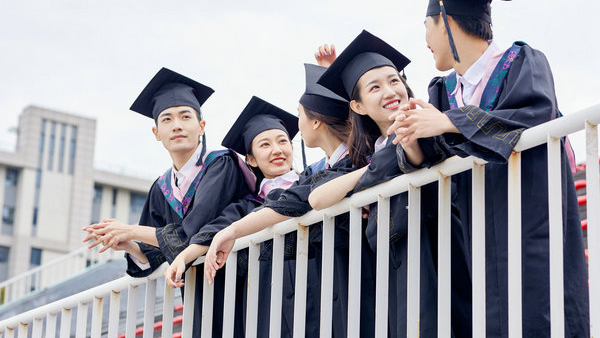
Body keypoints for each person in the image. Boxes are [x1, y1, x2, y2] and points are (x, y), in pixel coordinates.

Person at [387, 0, 589, 336]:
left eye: (427, 26)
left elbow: (531, 117)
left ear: (446, 21)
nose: (426, 40)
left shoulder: (521, 62)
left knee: (540, 316)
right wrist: (412, 139)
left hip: (531, 225)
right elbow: (435, 155)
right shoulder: (444, 91)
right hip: (474, 234)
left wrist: (449, 122)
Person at [166, 64, 355, 337]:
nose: (277, 150)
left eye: (282, 141)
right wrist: (184, 256)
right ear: (251, 159)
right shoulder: (248, 206)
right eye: (265, 145)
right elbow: (216, 228)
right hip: (272, 309)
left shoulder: (318, 178)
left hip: (325, 292)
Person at [310, 30, 472, 337]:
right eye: (375, 87)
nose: (390, 90)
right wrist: (372, 170)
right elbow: (317, 199)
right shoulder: (371, 151)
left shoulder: (427, 120)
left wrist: (385, 162)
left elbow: (415, 151)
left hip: (442, 252)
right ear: (357, 106)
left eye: (394, 80)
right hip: (399, 266)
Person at [82, 67, 249, 337]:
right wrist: (133, 246)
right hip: (197, 295)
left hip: (241, 285)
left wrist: (133, 230)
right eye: (167, 119)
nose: (177, 125)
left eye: (186, 117)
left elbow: (194, 233)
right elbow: (156, 254)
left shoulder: (221, 165)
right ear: (156, 132)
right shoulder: (161, 188)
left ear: (202, 127)